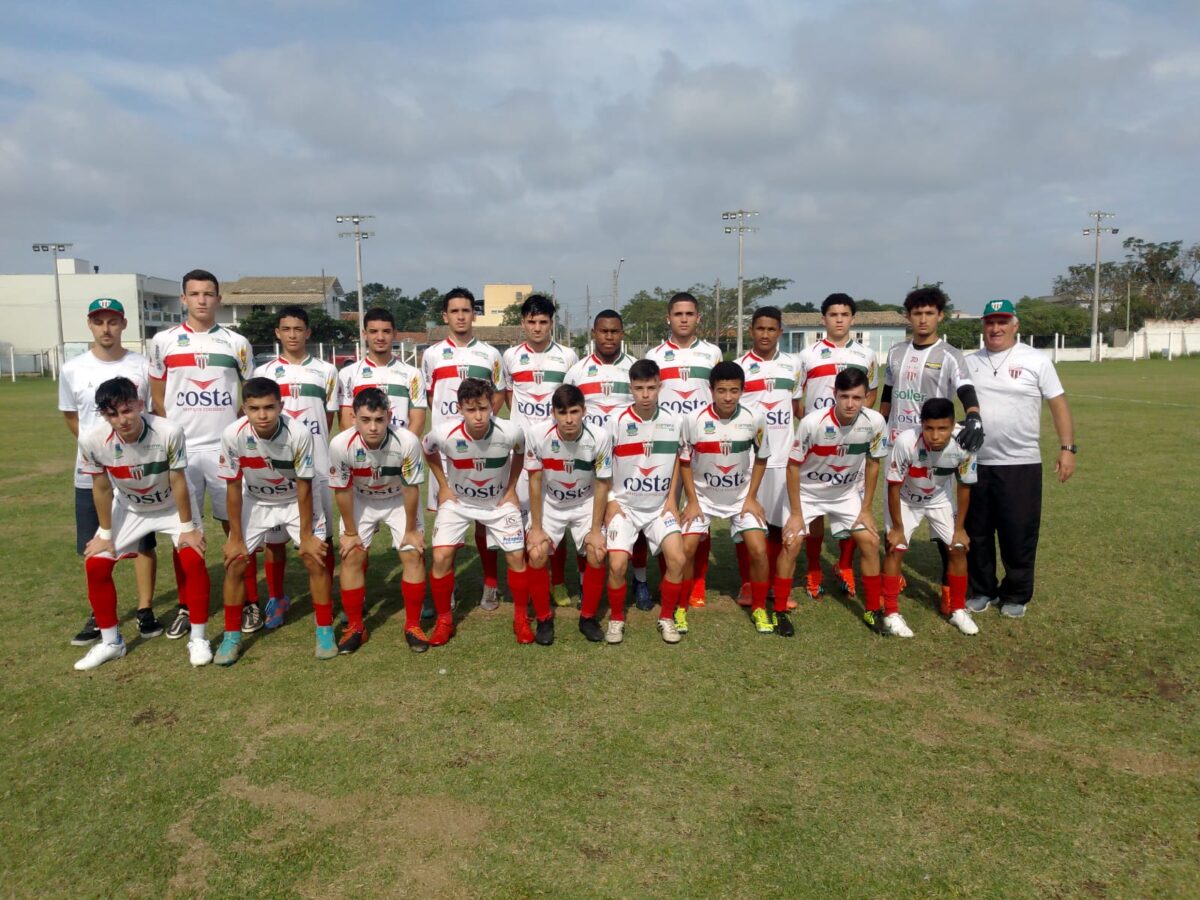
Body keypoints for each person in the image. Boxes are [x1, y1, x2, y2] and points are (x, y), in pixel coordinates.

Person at [73, 377, 212, 670]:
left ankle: (198, 637)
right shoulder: (91, 440)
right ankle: (112, 642)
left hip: (172, 505)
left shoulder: (168, 431)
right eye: (112, 414)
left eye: (127, 410)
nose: (122, 420)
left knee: (193, 558)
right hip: (130, 508)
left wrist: (187, 528)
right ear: (103, 415)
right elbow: (100, 487)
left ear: (139, 404)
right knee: (96, 564)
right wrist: (106, 534)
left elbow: (178, 479)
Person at [149, 270, 253, 637]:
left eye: (209, 293)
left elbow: (248, 395)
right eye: (195, 294)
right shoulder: (163, 341)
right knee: (185, 530)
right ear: (183, 299)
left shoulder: (236, 342)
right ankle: (186, 604)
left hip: (225, 449)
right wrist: (174, 432)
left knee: (236, 526)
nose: (202, 300)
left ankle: (248, 600)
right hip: (183, 452)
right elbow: (158, 396)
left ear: (219, 298)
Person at [964, 299, 1076, 618]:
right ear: (983, 326)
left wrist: (1068, 448)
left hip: (1020, 464)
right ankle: (983, 589)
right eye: (989, 322)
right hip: (975, 462)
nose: (995, 328)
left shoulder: (1035, 360)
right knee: (978, 532)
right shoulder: (969, 362)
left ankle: (1016, 593)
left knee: (1018, 532)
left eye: (1002, 322)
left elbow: (1058, 404)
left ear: (1015, 325)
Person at [59, 298, 162, 645]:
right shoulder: (73, 368)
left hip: (137, 472)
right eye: (99, 322)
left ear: (123, 324)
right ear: (90, 325)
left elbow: (151, 412)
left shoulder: (141, 366)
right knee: (96, 545)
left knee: (143, 544)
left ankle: (146, 610)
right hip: (92, 474)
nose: (106, 328)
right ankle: (100, 615)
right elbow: (72, 416)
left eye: (113, 322)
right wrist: (102, 452)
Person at [879, 285, 984, 614]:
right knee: (894, 516)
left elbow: (965, 389)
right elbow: (888, 391)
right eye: (916, 313)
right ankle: (892, 585)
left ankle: (948, 593)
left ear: (939, 316)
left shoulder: (950, 354)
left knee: (944, 522)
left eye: (929, 313)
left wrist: (974, 417)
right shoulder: (896, 352)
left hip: (937, 444)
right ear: (908, 317)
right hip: (901, 444)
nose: (923, 319)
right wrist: (877, 424)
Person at [214, 378, 334, 665]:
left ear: (281, 405)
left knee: (313, 557)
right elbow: (232, 487)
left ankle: (325, 629)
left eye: (269, 407)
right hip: (257, 500)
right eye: (254, 408)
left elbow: (305, 486)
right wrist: (234, 537)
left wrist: (306, 536)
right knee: (235, 562)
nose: (263, 415)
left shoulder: (298, 433)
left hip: (296, 498)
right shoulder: (233, 434)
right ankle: (231, 637)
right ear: (244, 408)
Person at [779, 368, 888, 637]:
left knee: (871, 541)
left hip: (845, 495)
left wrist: (865, 509)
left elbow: (874, 465)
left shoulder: (874, 422)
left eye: (857, 397)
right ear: (834, 395)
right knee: (792, 544)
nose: (851, 404)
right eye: (845, 396)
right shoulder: (812, 423)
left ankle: (872, 609)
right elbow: (792, 468)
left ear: (866, 397)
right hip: (807, 493)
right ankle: (779, 610)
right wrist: (795, 513)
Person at [423, 378, 529, 644]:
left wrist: (511, 488)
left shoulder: (511, 431)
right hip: (458, 503)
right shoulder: (443, 433)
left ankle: (521, 619)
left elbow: (520, 453)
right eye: (471, 410)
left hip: (497, 504)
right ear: (460, 408)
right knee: (441, 557)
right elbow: (428, 450)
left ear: (493, 405)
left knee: (517, 557)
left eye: (483, 408)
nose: (478, 416)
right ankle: (444, 621)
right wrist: (443, 486)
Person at [252, 305, 340, 628]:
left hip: (317, 465)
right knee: (275, 539)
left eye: (298, 329)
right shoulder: (263, 374)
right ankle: (277, 597)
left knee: (323, 536)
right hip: (276, 466)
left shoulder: (327, 371)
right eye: (286, 329)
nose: (292, 334)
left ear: (308, 332)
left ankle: (325, 595)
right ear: (277, 333)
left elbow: (326, 419)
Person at [421, 288, 505, 610]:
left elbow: (496, 396)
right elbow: (432, 399)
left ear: (474, 314)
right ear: (445, 316)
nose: (460, 316)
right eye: (454, 311)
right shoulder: (431, 355)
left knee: (484, 518)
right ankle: (448, 587)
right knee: (448, 518)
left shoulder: (490, 355)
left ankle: (490, 585)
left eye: (466, 310)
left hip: (482, 449)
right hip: (447, 452)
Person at [328, 388, 428, 653]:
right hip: (361, 499)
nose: (372, 427)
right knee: (352, 555)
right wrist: (350, 532)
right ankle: (356, 627)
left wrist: (410, 531)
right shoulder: (340, 444)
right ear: (353, 418)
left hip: (398, 499)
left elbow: (410, 488)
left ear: (390, 416)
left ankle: (413, 626)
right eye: (365, 420)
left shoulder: (407, 441)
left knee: (412, 553)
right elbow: (342, 490)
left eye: (379, 420)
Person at [595, 360, 686, 645]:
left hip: (660, 506)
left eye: (651, 388)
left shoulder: (675, 421)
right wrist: (610, 499)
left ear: (660, 386)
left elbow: (678, 463)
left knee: (677, 558)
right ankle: (617, 619)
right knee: (618, 565)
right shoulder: (616, 421)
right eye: (639, 389)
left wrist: (672, 498)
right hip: (625, 506)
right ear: (630, 389)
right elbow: (602, 464)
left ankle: (667, 617)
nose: (645, 395)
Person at [678, 361, 772, 636]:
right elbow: (684, 462)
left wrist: (752, 497)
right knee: (686, 549)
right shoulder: (693, 420)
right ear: (711, 390)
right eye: (721, 391)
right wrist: (692, 501)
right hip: (703, 498)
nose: (728, 397)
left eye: (734, 390)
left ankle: (758, 607)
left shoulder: (755, 418)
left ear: (742, 390)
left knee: (758, 550)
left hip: (740, 498)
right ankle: (681, 606)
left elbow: (762, 458)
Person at [796, 293, 879, 600]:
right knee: (815, 504)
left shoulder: (867, 355)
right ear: (824, 319)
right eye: (833, 314)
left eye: (845, 314)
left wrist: (854, 425)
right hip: (818, 443)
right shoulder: (807, 356)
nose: (839, 319)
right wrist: (817, 427)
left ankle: (844, 565)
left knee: (851, 504)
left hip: (852, 443)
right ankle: (814, 567)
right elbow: (797, 399)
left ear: (853, 319)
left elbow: (870, 393)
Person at [645, 292, 723, 609]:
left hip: (702, 444)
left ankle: (697, 582)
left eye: (689, 314)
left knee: (697, 512)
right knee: (667, 512)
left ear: (698, 318)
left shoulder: (713, 353)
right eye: (678, 314)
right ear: (668, 318)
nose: (684, 319)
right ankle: (669, 578)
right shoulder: (655, 355)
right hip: (665, 445)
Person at [878, 398, 979, 638]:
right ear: (921, 424)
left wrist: (961, 528)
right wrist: (897, 528)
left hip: (939, 499)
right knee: (896, 547)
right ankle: (890, 612)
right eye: (929, 428)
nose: (935, 435)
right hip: (905, 499)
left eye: (942, 428)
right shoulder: (906, 442)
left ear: (953, 425)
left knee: (957, 547)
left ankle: (957, 609)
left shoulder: (964, 444)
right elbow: (893, 486)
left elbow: (965, 487)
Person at [502, 294, 579, 608]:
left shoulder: (568, 357)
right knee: (524, 518)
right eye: (531, 322)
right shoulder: (509, 357)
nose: (537, 327)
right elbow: (510, 397)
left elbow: (571, 400)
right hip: (523, 451)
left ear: (552, 323)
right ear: (522, 323)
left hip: (557, 450)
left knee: (555, 515)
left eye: (543, 322)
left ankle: (558, 582)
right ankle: (534, 581)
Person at [524, 384, 611, 646]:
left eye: (574, 411)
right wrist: (536, 527)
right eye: (562, 413)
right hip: (551, 503)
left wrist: (596, 531)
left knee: (596, 553)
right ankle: (544, 620)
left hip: (585, 502)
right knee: (537, 553)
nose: (569, 419)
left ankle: (588, 618)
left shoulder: (600, 437)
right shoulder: (538, 434)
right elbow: (535, 481)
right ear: (554, 413)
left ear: (584, 411)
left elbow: (602, 483)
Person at [736, 306, 804, 609]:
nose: (765, 334)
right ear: (751, 330)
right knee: (748, 524)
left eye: (771, 329)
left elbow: (798, 408)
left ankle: (776, 585)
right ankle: (748, 585)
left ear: (780, 332)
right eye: (759, 328)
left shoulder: (793, 365)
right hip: (750, 459)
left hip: (782, 458)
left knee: (778, 524)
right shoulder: (739, 366)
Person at [564, 310, 635, 431]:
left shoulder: (635, 367)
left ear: (622, 334)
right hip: (590, 447)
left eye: (614, 332)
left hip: (626, 444)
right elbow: (565, 412)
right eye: (603, 331)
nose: (609, 337)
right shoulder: (576, 371)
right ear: (593, 333)